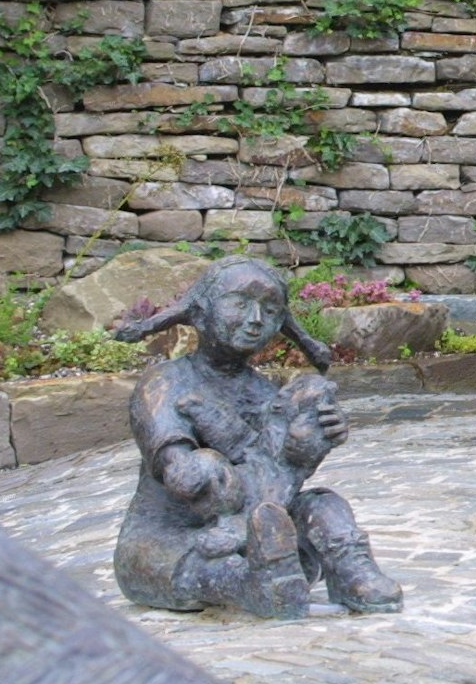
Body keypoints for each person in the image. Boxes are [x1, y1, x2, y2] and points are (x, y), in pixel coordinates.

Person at [111, 257, 402, 619]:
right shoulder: (165, 384)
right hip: (171, 540)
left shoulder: (266, 392)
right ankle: (255, 585)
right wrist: (227, 441)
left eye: (269, 310)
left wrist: (309, 444)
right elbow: (185, 479)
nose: (255, 320)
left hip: (256, 529)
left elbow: (275, 480)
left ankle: (351, 572)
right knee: (205, 487)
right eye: (239, 303)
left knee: (323, 504)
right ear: (200, 314)